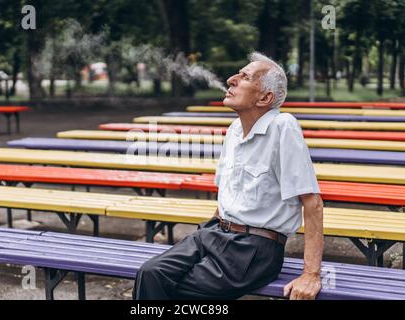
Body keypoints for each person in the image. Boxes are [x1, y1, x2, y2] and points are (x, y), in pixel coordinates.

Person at [133, 52, 324, 300]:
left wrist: (311, 274)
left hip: (253, 248)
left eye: (244, 77)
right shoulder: (234, 129)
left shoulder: (283, 126)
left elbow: (312, 203)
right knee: (150, 274)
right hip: (215, 232)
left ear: (265, 97)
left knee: (176, 291)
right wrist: (209, 231)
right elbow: (228, 194)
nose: (231, 80)